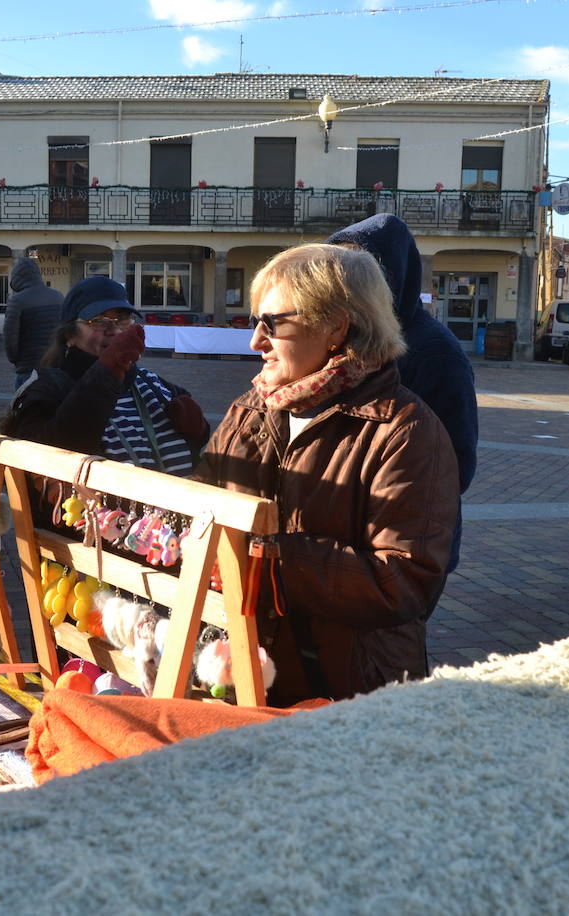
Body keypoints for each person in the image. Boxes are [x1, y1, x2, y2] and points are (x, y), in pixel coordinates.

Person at [195, 244, 460, 704]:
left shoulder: (406, 431)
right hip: (244, 673)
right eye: (254, 321)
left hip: (348, 692)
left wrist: (270, 557)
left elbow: (403, 581)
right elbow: (200, 502)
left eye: (272, 324)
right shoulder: (251, 409)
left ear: (336, 326)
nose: (255, 342)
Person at [327, 214, 476, 574]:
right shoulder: (348, 336)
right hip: (348, 540)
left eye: (358, 272)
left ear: (390, 277)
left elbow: (457, 464)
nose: (344, 285)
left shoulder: (437, 353)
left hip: (407, 548)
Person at [0, 276, 209, 475]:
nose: (115, 330)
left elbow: (194, 449)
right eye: (98, 320)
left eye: (123, 319)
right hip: (100, 513)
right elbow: (43, 459)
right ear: (70, 336)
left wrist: (199, 431)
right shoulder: (47, 388)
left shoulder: (150, 382)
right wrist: (107, 370)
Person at [3, 257, 64, 390]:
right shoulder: (58, 296)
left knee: (24, 407)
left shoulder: (17, 301)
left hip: (27, 366)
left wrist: (15, 360)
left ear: (17, 278)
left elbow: (10, 337)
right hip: (54, 365)